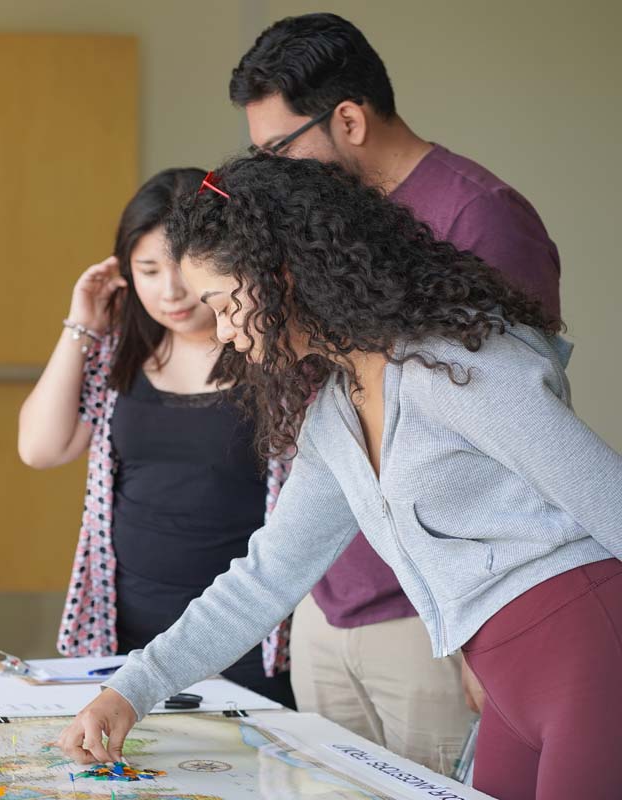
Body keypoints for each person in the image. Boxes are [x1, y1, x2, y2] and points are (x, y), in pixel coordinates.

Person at [58, 154, 622, 800]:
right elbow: (266, 576)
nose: (222, 330)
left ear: (281, 275)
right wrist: (132, 689)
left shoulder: (453, 368)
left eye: (220, 301)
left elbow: (608, 497)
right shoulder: (334, 418)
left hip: (593, 652)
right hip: (509, 689)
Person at [226, 11, 561, 771]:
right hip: (329, 592)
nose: (273, 173)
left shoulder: (479, 216)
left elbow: (523, 433)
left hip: (433, 616)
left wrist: (493, 639)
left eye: (279, 149)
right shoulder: (314, 219)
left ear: (348, 119)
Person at [18, 168, 294, 707]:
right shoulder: (117, 353)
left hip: (246, 631)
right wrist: (81, 324)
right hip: (128, 627)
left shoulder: (272, 354)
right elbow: (40, 448)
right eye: (146, 270)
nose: (169, 292)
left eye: (182, 270)